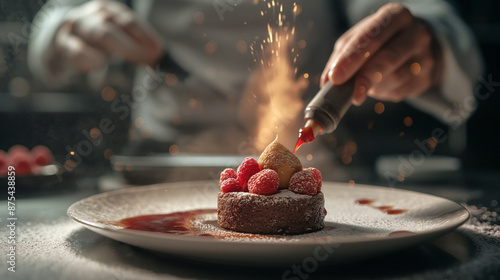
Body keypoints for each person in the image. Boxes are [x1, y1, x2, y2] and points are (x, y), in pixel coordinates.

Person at [28, 0, 482, 160]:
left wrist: (426, 44)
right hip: (157, 157)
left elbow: (421, 15)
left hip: (316, 162)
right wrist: (66, 29)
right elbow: (54, 22)